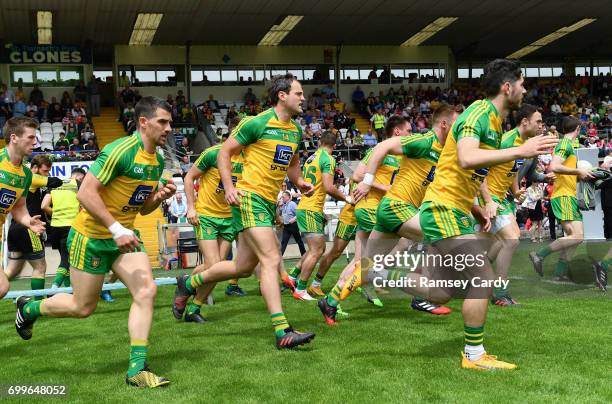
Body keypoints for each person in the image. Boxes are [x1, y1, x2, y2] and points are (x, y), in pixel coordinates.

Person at [15, 97, 177, 388]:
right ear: (144, 122)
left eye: (170, 122)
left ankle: (137, 370)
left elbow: (142, 207)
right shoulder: (120, 151)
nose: (169, 127)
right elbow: (85, 194)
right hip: (90, 237)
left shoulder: (159, 160)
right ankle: (28, 309)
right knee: (82, 307)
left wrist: (158, 198)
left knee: (146, 290)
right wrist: (115, 228)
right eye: (162, 121)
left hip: (124, 238)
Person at [174, 74, 317, 349]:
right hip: (249, 198)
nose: (303, 98)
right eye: (298, 93)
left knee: (243, 266)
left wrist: (299, 182)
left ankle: (189, 283)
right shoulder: (258, 122)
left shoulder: (296, 131)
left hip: (267, 201)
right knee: (271, 256)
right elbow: (224, 152)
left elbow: (292, 161)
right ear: (282, 96)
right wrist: (229, 187)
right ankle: (281, 330)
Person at [477, 104, 554, 306]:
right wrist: (488, 201)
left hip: (502, 198)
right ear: (524, 122)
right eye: (538, 121)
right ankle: (499, 292)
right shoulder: (506, 140)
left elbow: (512, 169)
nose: (541, 126)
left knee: (498, 243)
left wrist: (515, 190)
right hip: (490, 197)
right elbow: (479, 168)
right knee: (510, 240)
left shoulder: (523, 144)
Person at [530, 116, 595, 281]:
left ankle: (560, 272)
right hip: (564, 196)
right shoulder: (565, 144)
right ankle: (539, 255)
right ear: (578, 129)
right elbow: (554, 166)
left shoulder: (567, 145)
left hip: (568, 195)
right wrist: (578, 172)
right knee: (576, 236)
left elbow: (557, 170)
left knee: (576, 238)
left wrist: (580, 176)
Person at [289, 131, 351, 300]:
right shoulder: (328, 159)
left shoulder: (311, 157)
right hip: (310, 208)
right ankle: (301, 289)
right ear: (335, 146)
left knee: (313, 250)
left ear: (319, 142)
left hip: (309, 207)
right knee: (317, 250)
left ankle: (292, 277)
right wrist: (348, 198)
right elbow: (329, 187)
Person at [0, 117, 46, 300]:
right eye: (30, 137)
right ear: (14, 138)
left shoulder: (26, 174)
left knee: (2, 287)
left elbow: (18, 208)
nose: (35, 142)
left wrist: (29, 222)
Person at [5, 155, 62, 299]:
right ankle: (37, 302)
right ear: (35, 168)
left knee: (12, 270)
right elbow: (56, 182)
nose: (47, 174)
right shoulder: (31, 177)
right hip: (28, 227)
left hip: (15, 228)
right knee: (40, 267)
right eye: (45, 171)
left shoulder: (24, 179)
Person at [42, 168, 87, 289]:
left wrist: (56, 214)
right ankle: (54, 288)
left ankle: (69, 289)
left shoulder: (55, 184)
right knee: (67, 261)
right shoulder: (78, 185)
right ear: (81, 177)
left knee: (65, 258)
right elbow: (84, 206)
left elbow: (44, 206)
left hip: (55, 227)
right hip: (71, 226)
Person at [279, 191, 306, 256]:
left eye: (283, 197)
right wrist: (279, 206)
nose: (282, 198)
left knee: (299, 241)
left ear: (288, 197)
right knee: (283, 242)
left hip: (293, 226)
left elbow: (299, 214)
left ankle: (304, 255)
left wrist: (294, 219)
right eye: (282, 197)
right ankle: (279, 257)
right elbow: (279, 214)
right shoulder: (283, 205)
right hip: (286, 226)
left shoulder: (292, 204)